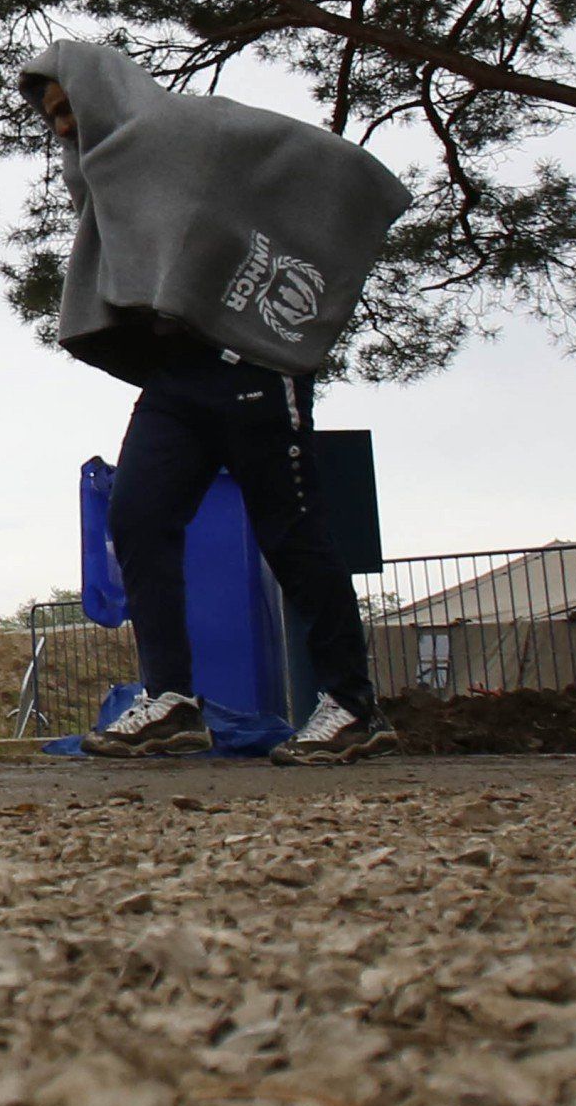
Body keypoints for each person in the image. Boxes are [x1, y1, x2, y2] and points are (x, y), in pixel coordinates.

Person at [25, 44, 408, 767]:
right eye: (53, 121)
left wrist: (353, 219)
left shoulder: (190, 129)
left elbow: (310, 164)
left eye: (70, 108)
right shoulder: (104, 177)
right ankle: (171, 701)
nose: (65, 128)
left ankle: (353, 705)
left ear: (100, 91)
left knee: (293, 535)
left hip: (256, 363)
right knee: (137, 517)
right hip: (176, 380)